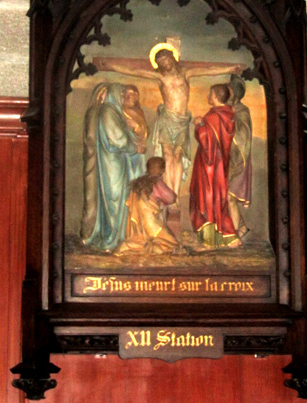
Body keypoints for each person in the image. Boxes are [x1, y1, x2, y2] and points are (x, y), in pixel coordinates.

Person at [103, 43, 244, 206]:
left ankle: (175, 194)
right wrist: (112, 66)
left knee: (178, 156)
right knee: (168, 156)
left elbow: (209, 70)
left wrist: (231, 69)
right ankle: (168, 191)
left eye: (167, 60)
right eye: (161, 63)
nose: (165, 64)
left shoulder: (186, 73)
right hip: (167, 119)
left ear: (173, 58)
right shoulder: (161, 77)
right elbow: (134, 71)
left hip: (182, 120)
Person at [80, 83, 145, 251]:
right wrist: (134, 148)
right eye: (121, 94)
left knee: (118, 200)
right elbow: (118, 139)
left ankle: (118, 237)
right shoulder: (108, 111)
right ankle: (112, 239)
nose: (123, 98)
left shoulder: (113, 112)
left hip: (115, 162)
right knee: (114, 201)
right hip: (113, 165)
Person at [189, 84, 242, 248]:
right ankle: (228, 238)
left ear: (216, 96)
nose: (208, 96)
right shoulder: (228, 115)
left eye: (210, 94)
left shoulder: (213, 117)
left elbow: (207, 142)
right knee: (219, 198)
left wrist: (198, 125)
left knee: (207, 197)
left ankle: (209, 241)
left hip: (208, 165)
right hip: (220, 164)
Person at [115, 157, 179, 255]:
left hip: (138, 228)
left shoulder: (137, 183)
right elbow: (171, 198)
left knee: (141, 241)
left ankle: (139, 245)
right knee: (172, 243)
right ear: (162, 170)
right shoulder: (157, 182)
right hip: (153, 224)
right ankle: (150, 248)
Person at [227, 75, 252, 239]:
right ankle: (240, 228)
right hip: (230, 159)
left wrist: (231, 120)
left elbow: (243, 134)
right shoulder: (230, 109)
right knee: (227, 197)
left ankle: (236, 233)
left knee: (230, 197)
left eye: (229, 91)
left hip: (240, 159)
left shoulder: (242, 111)